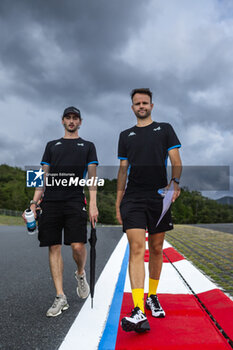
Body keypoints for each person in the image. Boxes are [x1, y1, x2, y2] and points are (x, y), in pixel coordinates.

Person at [116, 88, 182, 332]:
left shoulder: (164, 129)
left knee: (156, 248)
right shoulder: (125, 135)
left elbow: (176, 160)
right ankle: (137, 309)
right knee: (136, 247)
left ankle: (152, 296)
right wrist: (118, 201)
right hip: (132, 198)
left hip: (158, 197)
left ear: (152, 105)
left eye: (144, 102)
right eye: (137, 103)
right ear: (132, 107)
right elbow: (123, 170)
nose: (141, 106)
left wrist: (174, 183)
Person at [23, 106, 98, 317]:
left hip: (75, 200)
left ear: (80, 122)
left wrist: (93, 204)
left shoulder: (88, 146)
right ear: (63, 121)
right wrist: (33, 203)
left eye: (75, 118)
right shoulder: (51, 146)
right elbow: (42, 176)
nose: (72, 121)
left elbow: (92, 177)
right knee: (53, 247)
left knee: (77, 246)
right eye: (68, 118)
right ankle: (60, 296)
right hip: (51, 201)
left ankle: (80, 273)